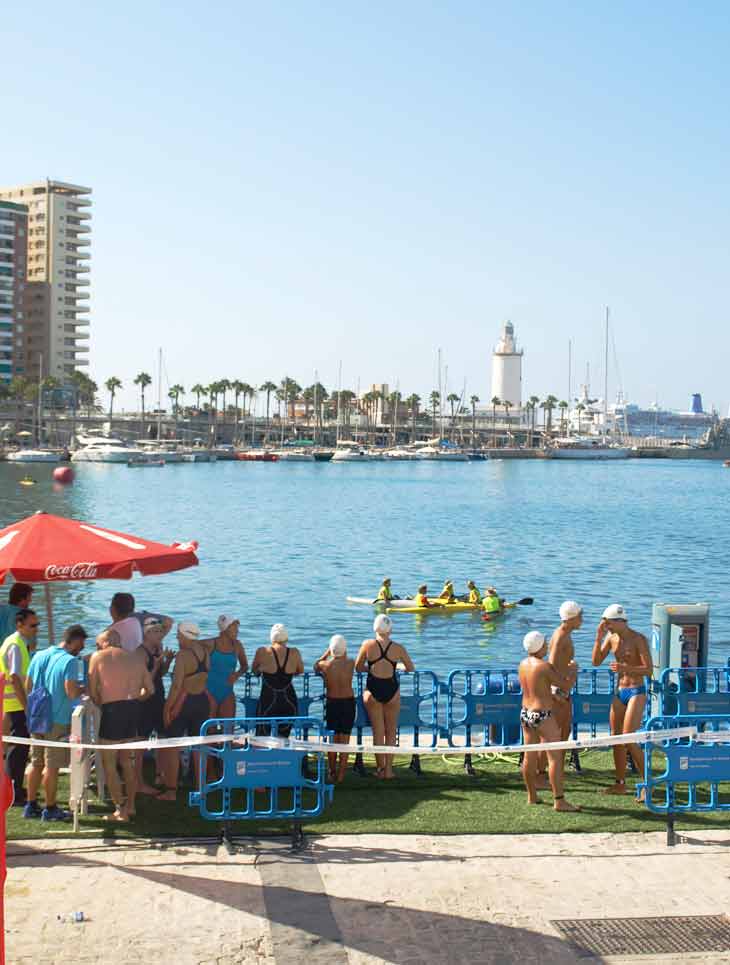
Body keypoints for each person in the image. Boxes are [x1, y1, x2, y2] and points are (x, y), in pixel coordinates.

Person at [88, 634, 154, 822]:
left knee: (109, 764)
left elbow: (93, 692)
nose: (98, 647)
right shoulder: (135, 657)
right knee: (127, 762)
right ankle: (130, 806)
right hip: (132, 710)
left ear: (105, 642)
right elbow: (150, 690)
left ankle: (119, 810)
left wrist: (103, 703)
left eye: (98, 644)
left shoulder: (98, 657)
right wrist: (135, 699)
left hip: (112, 710)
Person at [24, 624, 87, 821]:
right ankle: (50, 809)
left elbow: (28, 685)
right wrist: (82, 689)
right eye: (81, 645)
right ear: (75, 641)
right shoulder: (70, 661)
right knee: (51, 766)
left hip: (37, 715)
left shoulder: (39, 655)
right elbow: (70, 691)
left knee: (35, 762)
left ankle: (31, 804)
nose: (81, 649)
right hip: (57, 719)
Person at [592, 604, 652, 796]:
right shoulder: (611, 638)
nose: (606, 627)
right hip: (620, 692)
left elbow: (649, 669)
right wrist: (598, 638)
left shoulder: (638, 639)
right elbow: (595, 661)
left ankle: (647, 785)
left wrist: (625, 669)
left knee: (629, 737)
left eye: (608, 624)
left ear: (620, 621)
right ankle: (620, 783)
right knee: (617, 739)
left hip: (636, 691)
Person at [518, 630, 580, 812]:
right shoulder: (543, 666)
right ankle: (559, 801)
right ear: (539, 646)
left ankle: (532, 796)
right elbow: (566, 685)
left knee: (529, 757)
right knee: (555, 757)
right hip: (543, 715)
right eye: (544, 644)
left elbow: (538, 688)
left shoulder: (522, 665)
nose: (546, 646)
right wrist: (573, 671)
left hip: (525, 713)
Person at [356, 614, 414, 780]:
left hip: (372, 689)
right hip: (392, 689)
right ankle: (389, 770)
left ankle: (380, 769)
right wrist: (396, 666)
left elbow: (358, 667)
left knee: (378, 732)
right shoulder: (398, 648)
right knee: (391, 732)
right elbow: (410, 668)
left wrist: (372, 669)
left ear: (375, 628)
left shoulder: (367, 645)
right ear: (391, 629)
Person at [1, 608, 40, 806]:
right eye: (32, 625)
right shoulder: (15, 646)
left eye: (37, 624)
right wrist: (26, 706)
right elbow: (15, 678)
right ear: (19, 625)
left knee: (18, 748)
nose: (36, 629)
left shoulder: (17, 643)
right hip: (16, 703)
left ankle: (15, 788)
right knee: (18, 749)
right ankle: (13, 791)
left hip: (13, 702)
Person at [134, 617, 175, 795]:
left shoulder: (157, 648)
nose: (161, 635)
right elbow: (142, 682)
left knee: (163, 737)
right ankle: (138, 781)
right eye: (157, 632)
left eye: (161, 631)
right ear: (147, 633)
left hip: (159, 697)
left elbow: (161, 674)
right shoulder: (140, 653)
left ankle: (161, 774)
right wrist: (156, 665)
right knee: (140, 742)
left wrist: (167, 662)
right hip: (145, 702)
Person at [314, 634, 356, 783]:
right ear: (345, 650)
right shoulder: (351, 663)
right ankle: (341, 775)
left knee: (332, 740)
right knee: (344, 740)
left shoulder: (326, 665)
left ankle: (331, 772)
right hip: (348, 703)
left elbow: (316, 664)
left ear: (332, 650)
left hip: (332, 702)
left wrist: (327, 653)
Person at [252, 624, 304, 737]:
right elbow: (300, 671)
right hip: (289, 701)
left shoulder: (262, 651)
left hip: (268, 701)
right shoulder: (294, 652)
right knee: (283, 738)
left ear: (272, 638)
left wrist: (263, 669)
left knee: (262, 737)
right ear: (286, 638)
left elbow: (254, 671)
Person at [201, 615, 248, 718]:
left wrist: (237, 675)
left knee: (228, 729)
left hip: (227, 692)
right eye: (234, 627)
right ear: (225, 629)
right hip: (209, 692)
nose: (237, 630)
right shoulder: (210, 644)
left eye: (237, 627)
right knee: (210, 729)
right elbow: (189, 647)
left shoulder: (237, 645)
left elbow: (245, 666)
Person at [96, 592, 173, 653]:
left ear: (112, 609)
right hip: (142, 662)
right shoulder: (138, 618)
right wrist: (154, 641)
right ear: (132, 608)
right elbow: (168, 621)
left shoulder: (106, 634)